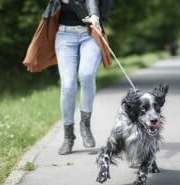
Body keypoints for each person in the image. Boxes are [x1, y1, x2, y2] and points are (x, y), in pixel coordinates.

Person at [22, 0, 112, 155]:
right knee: (68, 85)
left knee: (86, 74)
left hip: (89, 34)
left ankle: (85, 126)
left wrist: (95, 15)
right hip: (64, 35)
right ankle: (68, 137)